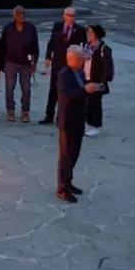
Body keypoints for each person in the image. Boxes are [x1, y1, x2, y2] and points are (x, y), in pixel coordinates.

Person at [56, 45, 88, 203]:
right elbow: (67, 95)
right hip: (67, 120)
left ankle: (68, 182)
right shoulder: (64, 75)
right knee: (66, 156)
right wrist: (86, 91)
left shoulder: (80, 73)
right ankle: (62, 187)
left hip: (79, 118)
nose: (83, 61)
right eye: (81, 59)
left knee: (74, 153)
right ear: (72, 59)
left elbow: (83, 90)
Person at [40, 7, 83, 124]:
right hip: (58, 63)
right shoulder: (58, 26)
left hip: (70, 65)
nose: (70, 18)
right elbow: (51, 42)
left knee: (66, 91)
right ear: (64, 16)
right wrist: (48, 56)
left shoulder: (79, 30)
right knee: (53, 91)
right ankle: (49, 116)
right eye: (68, 15)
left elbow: (82, 48)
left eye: (72, 16)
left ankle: (62, 117)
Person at [1, 7, 39, 123]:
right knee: (9, 88)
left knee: (26, 89)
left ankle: (25, 112)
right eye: (18, 14)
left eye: (23, 14)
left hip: (25, 64)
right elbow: (2, 46)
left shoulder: (30, 28)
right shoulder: (7, 28)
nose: (21, 16)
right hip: (10, 62)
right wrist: (2, 63)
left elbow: (35, 46)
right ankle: (10, 110)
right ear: (14, 16)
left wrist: (34, 62)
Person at [83, 23, 113, 137]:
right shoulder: (87, 46)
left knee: (95, 103)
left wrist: (103, 82)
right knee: (86, 102)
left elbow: (107, 67)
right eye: (88, 32)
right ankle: (87, 122)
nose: (89, 34)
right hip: (86, 77)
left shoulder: (103, 49)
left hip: (96, 80)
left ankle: (95, 124)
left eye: (91, 32)